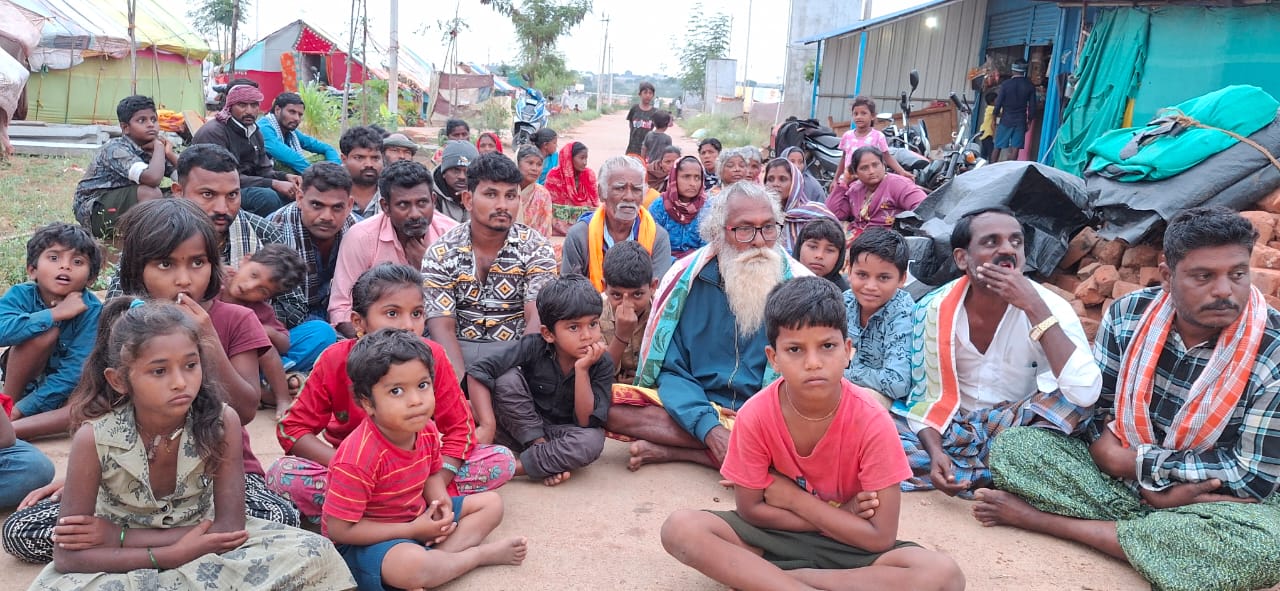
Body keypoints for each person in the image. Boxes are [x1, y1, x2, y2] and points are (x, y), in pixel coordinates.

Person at [974, 207, 1280, 591]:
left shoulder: (1273, 349)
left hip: (1211, 499)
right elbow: (1098, 407)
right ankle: (1161, 540)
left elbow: (1251, 477)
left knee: (1268, 544)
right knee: (1018, 448)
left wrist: (1134, 463)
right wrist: (1144, 483)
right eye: (1204, 276)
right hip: (1141, 487)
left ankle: (1050, 522)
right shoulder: (1129, 314)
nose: (1224, 291)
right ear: (1167, 275)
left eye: (1237, 274)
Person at [2, 200, 303, 567]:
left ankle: (140, 548)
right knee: (25, 531)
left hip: (217, 481)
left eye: (198, 262)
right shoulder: (125, 324)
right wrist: (80, 480)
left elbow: (243, 411)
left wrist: (206, 340)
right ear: (137, 269)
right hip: (128, 489)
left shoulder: (235, 319)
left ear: (214, 265)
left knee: (278, 516)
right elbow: (99, 409)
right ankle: (184, 546)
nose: (184, 279)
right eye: (165, 264)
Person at [660, 277, 965, 591]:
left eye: (827, 346)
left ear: (848, 351)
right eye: (795, 349)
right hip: (777, 539)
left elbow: (880, 537)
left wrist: (796, 500)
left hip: (850, 549)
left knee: (943, 575)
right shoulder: (756, 414)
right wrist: (841, 515)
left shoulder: (873, 421)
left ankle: (782, 581)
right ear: (774, 358)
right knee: (682, 528)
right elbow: (750, 510)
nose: (813, 363)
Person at [24, 300, 353, 590]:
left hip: (206, 548)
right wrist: (162, 554)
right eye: (159, 371)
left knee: (316, 553)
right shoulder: (93, 438)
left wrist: (120, 536)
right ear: (119, 380)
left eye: (190, 365)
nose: (180, 382)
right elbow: (68, 557)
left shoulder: (222, 421)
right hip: (124, 561)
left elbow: (230, 529)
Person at [270, 263, 515, 522]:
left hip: (420, 472)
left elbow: (460, 431)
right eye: (392, 313)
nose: (408, 325)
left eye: (417, 313)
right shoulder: (335, 359)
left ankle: (384, 511)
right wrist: (351, 471)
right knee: (282, 474)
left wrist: (434, 483)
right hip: (353, 472)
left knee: (499, 460)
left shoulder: (433, 356)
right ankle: (402, 510)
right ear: (358, 322)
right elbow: (292, 429)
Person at [606, 182, 813, 470]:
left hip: (768, 414)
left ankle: (684, 452)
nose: (758, 241)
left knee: (812, 433)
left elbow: (809, 374)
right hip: (694, 407)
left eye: (768, 228)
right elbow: (670, 369)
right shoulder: (685, 281)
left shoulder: (801, 286)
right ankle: (738, 451)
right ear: (719, 233)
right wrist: (709, 427)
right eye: (744, 229)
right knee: (609, 405)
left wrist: (757, 415)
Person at [897, 206, 1101, 496]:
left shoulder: (1049, 307)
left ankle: (989, 469)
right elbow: (925, 398)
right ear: (961, 258)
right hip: (955, 430)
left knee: (1070, 408)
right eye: (991, 242)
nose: (1008, 250)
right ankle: (991, 473)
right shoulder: (934, 310)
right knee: (880, 437)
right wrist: (936, 453)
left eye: (1016, 242)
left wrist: (1035, 309)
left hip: (1018, 431)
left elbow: (1085, 393)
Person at [322, 328, 527, 591]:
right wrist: (410, 531)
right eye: (396, 391)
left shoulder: (426, 429)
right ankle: (474, 557)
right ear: (368, 403)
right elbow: (340, 532)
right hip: (371, 541)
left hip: (416, 517)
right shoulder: (358, 457)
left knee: (491, 504)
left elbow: (431, 474)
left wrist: (439, 501)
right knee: (410, 565)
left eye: (422, 385)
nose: (416, 401)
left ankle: (437, 565)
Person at [466, 275, 614, 486]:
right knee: (506, 379)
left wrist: (582, 370)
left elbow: (584, 422)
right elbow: (479, 370)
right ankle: (542, 456)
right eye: (574, 327)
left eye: (593, 324)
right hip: (517, 425)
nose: (587, 335)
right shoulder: (533, 346)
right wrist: (488, 426)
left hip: (560, 435)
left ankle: (508, 469)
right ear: (548, 334)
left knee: (592, 440)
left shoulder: (602, 362)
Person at [424, 152, 558, 377]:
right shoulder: (441, 252)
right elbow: (442, 327)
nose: (502, 205)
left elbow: (536, 317)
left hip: (516, 355)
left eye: (510, 196)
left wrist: (514, 379)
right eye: (491, 194)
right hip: (457, 352)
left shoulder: (537, 248)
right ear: (468, 200)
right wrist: (460, 387)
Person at [162, 144, 309, 329]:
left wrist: (243, 312)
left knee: (319, 332)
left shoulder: (263, 232)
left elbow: (295, 307)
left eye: (232, 195)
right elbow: (122, 300)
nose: (222, 208)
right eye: (208, 194)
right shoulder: (157, 233)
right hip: (171, 339)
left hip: (249, 338)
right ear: (178, 192)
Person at [330, 160, 459, 339]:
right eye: (403, 205)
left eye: (422, 203)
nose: (415, 214)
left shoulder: (452, 235)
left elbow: (465, 305)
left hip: (437, 332)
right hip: (375, 338)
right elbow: (341, 308)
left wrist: (429, 267)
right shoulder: (361, 237)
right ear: (385, 207)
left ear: (434, 201)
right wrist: (374, 345)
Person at [1, 223, 101, 441]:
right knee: (45, 334)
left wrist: (26, 408)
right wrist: (53, 315)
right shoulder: (21, 294)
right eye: (54, 258)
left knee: (88, 406)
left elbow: (74, 371)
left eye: (77, 262)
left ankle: (14, 427)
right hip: (22, 383)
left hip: (65, 389)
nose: (65, 267)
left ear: (91, 279)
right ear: (32, 270)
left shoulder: (92, 311)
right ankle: (6, 407)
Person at [216, 244, 318, 416]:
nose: (249, 286)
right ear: (245, 261)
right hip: (209, 356)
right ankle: (262, 391)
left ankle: (281, 398)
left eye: (261, 290)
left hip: (243, 363)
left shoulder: (261, 310)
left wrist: (267, 331)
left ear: (268, 297)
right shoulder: (213, 283)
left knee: (320, 331)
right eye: (253, 274)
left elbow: (285, 344)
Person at [267, 162, 360, 324]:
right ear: (300, 198)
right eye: (317, 205)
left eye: (337, 207)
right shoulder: (274, 229)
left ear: (350, 205)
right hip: (292, 323)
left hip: (347, 317)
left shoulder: (360, 231)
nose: (326, 216)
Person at [562, 156, 674, 291]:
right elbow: (570, 294)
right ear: (601, 192)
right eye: (620, 188)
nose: (629, 197)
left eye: (636, 189)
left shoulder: (658, 237)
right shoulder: (579, 236)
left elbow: (657, 294)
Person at [72, 95, 177, 238]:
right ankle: (146, 241)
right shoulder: (115, 149)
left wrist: (169, 154)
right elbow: (153, 179)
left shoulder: (151, 147)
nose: (150, 124)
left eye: (153, 119)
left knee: (181, 193)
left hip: (125, 204)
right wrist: (159, 147)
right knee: (150, 193)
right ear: (125, 128)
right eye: (142, 120)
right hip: (95, 211)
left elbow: (188, 178)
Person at [190, 84, 300, 218]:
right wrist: (273, 183)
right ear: (230, 106)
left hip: (244, 185)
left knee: (294, 194)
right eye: (242, 105)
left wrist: (285, 177)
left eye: (254, 105)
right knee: (267, 198)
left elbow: (263, 169)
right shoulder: (215, 132)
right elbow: (222, 177)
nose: (249, 111)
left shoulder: (254, 131)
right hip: (216, 189)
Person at [843, 228, 914, 405]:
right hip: (840, 384)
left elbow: (897, 383)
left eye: (883, 278)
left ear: (902, 279)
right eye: (862, 275)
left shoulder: (902, 313)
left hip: (882, 398)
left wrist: (838, 373)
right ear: (849, 271)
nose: (870, 286)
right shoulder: (844, 302)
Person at [827, 146, 928, 241]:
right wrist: (844, 182)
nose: (871, 171)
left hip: (886, 243)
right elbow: (834, 214)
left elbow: (926, 208)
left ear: (884, 165)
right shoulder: (855, 189)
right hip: (858, 239)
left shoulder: (899, 185)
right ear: (855, 172)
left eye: (875, 165)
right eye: (864, 168)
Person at [599, 241, 657, 385]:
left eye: (637, 294)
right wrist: (621, 335)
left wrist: (643, 380)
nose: (628, 305)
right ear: (605, 287)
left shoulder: (663, 313)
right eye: (617, 295)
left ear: (653, 287)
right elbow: (599, 373)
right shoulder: (595, 314)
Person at [763, 158, 838, 252]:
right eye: (770, 179)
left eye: (783, 179)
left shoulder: (814, 212)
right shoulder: (761, 215)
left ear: (795, 183)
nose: (775, 184)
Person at [257, 91, 340, 175]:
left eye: (300, 115)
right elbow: (291, 158)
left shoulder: (291, 131)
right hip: (259, 177)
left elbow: (327, 148)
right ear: (277, 110)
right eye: (292, 112)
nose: (297, 118)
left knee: (324, 158)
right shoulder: (264, 128)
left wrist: (336, 169)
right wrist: (317, 176)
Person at [649, 155, 709, 259]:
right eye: (686, 177)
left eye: (697, 178)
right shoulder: (659, 206)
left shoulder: (708, 207)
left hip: (699, 264)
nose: (693, 183)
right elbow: (653, 244)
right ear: (674, 178)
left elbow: (708, 247)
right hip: (664, 263)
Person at [837, 96, 911, 177]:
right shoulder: (847, 136)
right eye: (855, 114)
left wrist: (902, 172)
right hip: (850, 179)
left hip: (870, 180)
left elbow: (887, 156)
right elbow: (844, 158)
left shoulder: (878, 136)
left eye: (863, 113)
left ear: (872, 116)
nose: (858, 117)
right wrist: (836, 179)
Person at [544, 141, 598, 235]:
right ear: (569, 158)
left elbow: (595, 203)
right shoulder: (554, 176)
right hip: (560, 221)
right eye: (581, 158)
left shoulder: (589, 175)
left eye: (586, 158)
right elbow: (550, 206)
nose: (585, 162)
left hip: (584, 219)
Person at [339, 125, 386, 219]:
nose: (369, 164)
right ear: (344, 159)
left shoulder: (392, 193)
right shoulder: (330, 191)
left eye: (375, 158)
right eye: (359, 158)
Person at [993, 60, 1036, 162]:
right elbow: (1032, 107)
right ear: (1024, 71)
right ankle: (1010, 172)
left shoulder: (1005, 84)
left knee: (997, 146)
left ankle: (991, 168)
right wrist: (1029, 121)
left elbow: (998, 103)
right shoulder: (1029, 86)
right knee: (1015, 148)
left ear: (1013, 70)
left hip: (1006, 119)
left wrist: (994, 118)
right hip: (1020, 120)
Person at [792, 217, 849, 291]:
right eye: (812, 247)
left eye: (830, 250)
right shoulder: (779, 282)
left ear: (840, 256)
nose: (819, 255)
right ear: (799, 247)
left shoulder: (845, 297)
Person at [432, 140, 478, 224]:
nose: (462, 177)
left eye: (468, 171)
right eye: (455, 170)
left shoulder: (483, 194)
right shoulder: (430, 196)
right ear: (444, 173)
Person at [514, 145, 555, 237]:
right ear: (517, 163)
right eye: (530, 163)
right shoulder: (507, 191)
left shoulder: (543, 194)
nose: (535, 168)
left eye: (539, 164)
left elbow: (544, 229)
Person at [626, 81, 658, 157]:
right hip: (632, 148)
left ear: (653, 95)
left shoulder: (655, 112)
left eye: (650, 93)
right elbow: (631, 124)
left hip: (647, 148)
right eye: (645, 93)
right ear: (640, 94)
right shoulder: (634, 109)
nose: (648, 95)